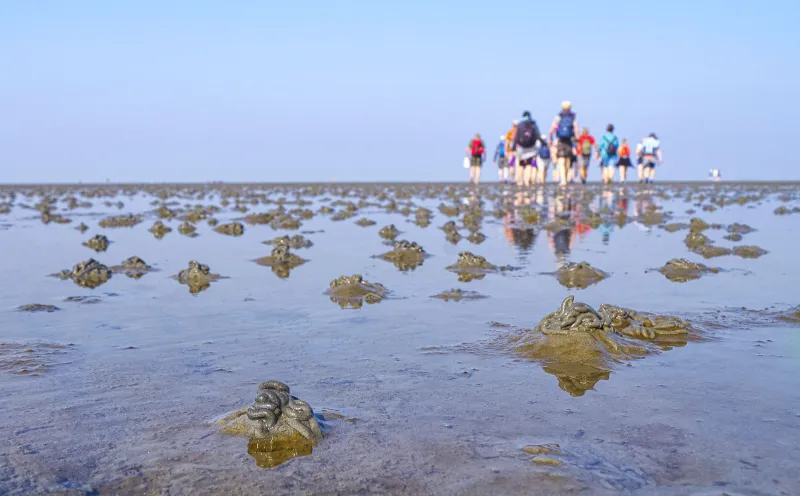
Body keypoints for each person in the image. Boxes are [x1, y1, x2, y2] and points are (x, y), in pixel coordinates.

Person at [549, 101, 579, 186]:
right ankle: (565, 177)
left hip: (560, 140)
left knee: (561, 160)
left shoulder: (558, 116)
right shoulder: (573, 117)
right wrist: (577, 140)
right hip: (569, 140)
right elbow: (576, 129)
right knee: (568, 160)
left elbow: (551, 130)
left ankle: (563, 180)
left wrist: (551, 139)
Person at [513, 111, 541, 188]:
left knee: (521, 164)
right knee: (529, 164)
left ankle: (519, 181)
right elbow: (538, 135)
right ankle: (526, 181)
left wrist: (514, 147)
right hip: (531, 147)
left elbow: (517, 137)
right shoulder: (533, 124)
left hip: (521, 147)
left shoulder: (520, 125)